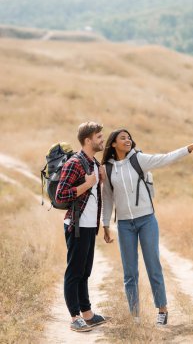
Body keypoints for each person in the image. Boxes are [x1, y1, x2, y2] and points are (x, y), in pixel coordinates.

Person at [101, 129, 193, 325]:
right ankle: (134, 315)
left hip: (146, 221)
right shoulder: (107, 169)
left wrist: (190, 147)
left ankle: (162, 309)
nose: (128, 140)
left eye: (129, 137)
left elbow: (166, 158)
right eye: (123, 138)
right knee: (129, 272)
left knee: (153, 266)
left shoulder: (139, 159)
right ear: (113, 144)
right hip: (125, 224)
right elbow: (107, 197)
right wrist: (106, 225)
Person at [56, 121, 107, 332]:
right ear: (88, 140)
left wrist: (99, 181)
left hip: (88, 226)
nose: (102, 140)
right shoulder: (75, 163)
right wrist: (87, 183)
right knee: (74, 272)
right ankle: (74, 316)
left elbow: (93, 196)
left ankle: (87, 314)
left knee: (85, 271)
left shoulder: (94, 163)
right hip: (76, 225)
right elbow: (61, 195)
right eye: (99, 137)